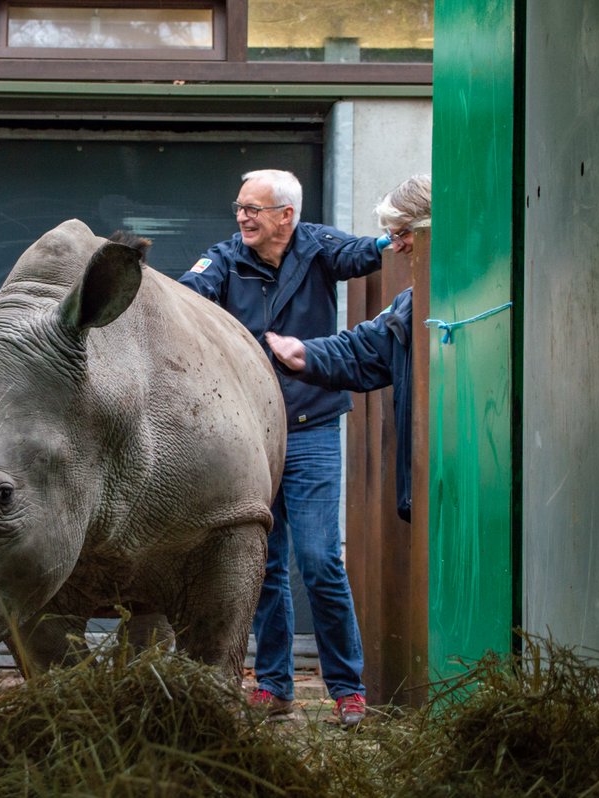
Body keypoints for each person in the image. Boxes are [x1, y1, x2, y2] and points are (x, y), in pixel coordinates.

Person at [179, 168, 392, 726]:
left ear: (286, 217)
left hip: (312, 427)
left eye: (254, 208)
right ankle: (274, 685)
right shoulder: (225, 259)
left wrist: (402, 231)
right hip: (249, 435)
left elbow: (366, 254)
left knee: (321, 561)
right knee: (265, 565)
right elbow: (185, 298)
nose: (242, 217)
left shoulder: (318, 248)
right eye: (240, 207)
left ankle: (347, 688)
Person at [267, 174, 432, 524]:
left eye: (402, 233)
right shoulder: (408, 306)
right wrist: (306, 356)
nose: (397, 246)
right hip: (429, 489)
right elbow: (364, 351)